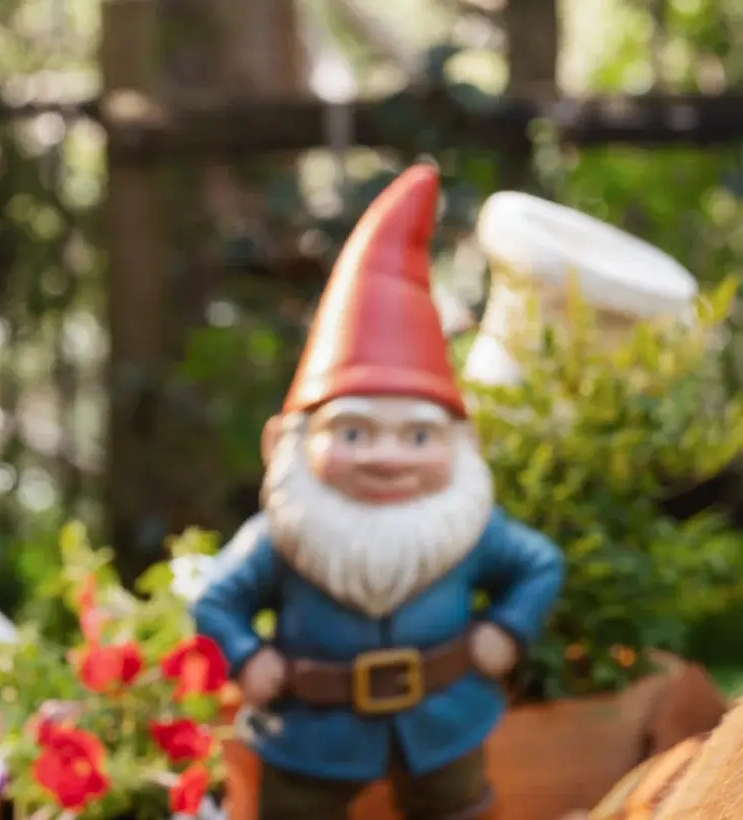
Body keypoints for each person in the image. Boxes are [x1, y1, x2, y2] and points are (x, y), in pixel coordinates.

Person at [191, 164, 566, 820]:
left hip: (444, 721)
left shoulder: (468, 529)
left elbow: (539, 564)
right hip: (310, 732)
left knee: (457, 807)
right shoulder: (285, 536)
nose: (388, 458)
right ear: (287, 442)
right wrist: (247, 657)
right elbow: (218, 597)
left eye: (418, 439)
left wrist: (506, 630)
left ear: (459, 447)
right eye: (354, 434)